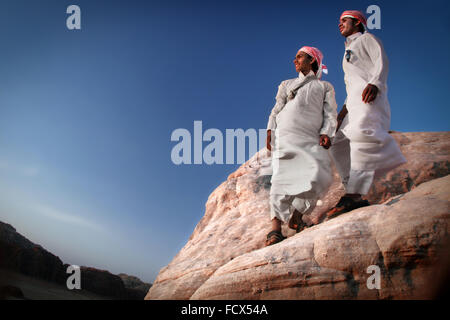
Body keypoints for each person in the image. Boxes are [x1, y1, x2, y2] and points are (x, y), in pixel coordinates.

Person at [326, 10, 406, 218]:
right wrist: (341, 113)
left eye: (344, 20)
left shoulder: (367, 39)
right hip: (352, 103)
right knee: (337, 142)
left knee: (362, 137)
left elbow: (382, 61)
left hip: (368, 98)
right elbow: (351, 83)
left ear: (358, 22)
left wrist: (375, 83)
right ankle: (352, 190)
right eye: (339, 21)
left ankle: (354, 194)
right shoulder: (347, 51)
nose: (340, 24)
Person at [265, 46, 337, 246]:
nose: (295, 60)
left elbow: (330, 113)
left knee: (319, 176)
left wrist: (326, 132)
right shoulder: (286, 84)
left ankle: (297, 215)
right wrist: (270, 130)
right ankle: (275, 230)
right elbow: (276, 108)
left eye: (300, 56)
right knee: (281, 178)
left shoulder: (325, 87)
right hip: (285, 134)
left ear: (312, 60)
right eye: (295, 57)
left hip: (310, 136)